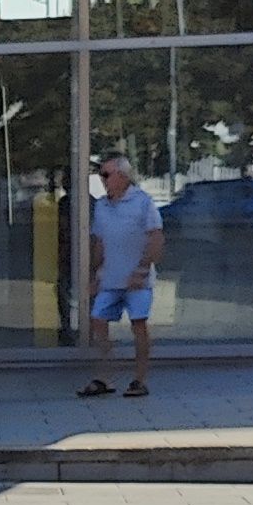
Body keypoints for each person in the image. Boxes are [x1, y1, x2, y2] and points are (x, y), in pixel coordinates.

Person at [77, 150, 162, 397]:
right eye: (100, 175)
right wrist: (94, 275)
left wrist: (143, 269)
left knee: (138, 324)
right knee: (98, 321)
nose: (103, 180)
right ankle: (105, 377)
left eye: (107, 174)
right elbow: (100, 241)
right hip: (111, 278)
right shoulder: (102, 206)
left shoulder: (143, 202)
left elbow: (156, 237)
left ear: (123, 176)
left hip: (137, 280)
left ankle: (140, 379)